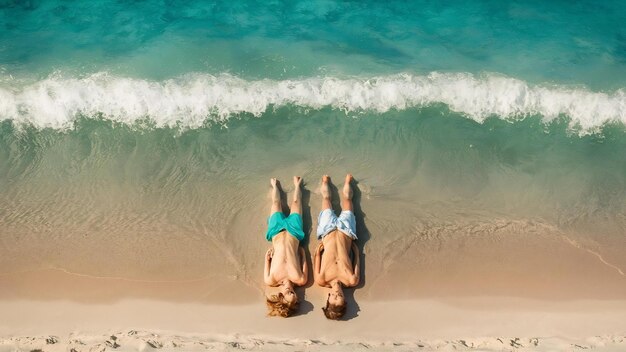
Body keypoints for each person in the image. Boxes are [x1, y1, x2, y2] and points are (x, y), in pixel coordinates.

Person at [314, 174, 360, 320]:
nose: (336, 292)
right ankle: (347, 180)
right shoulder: (351, 280)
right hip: (346, 232)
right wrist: (356, 252)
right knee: (348, 200)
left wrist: (318, 252)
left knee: (326, 200)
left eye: (333, 295)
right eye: (339, 295)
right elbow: (357, 262)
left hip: (327, 232)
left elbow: (317, 259)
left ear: (328, 297)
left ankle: (325, 180)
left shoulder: (321, 280)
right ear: (345, 299)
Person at [263, 176, 308, 317]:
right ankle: (297, 185)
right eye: (293, 293)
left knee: (276, 203)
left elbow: (267, 260)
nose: (290, 289)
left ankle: (275, 186)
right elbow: (305, 260)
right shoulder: (300, 279)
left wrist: (267, 257)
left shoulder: (271, 280)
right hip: (294, 233)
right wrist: (302, 253)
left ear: (281, 295)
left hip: (276, 232)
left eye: (288, 293)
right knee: (296, 202)